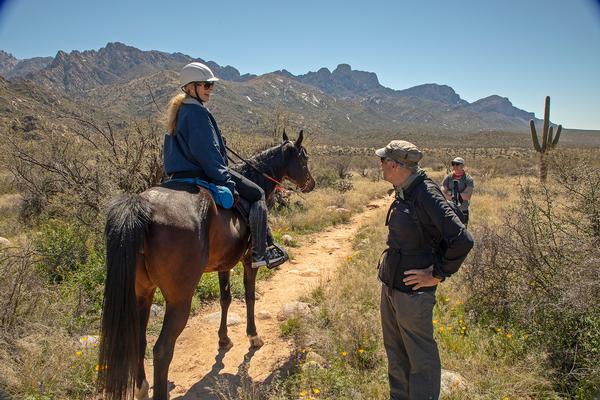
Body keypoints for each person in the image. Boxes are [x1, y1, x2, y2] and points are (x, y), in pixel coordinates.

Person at [375, 140, 474, 400]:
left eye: (383, 160)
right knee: (396, 352)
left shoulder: (426, 193)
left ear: (396, 165)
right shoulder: (405, 189)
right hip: (392, 287)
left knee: (421, 359)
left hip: (413, 295)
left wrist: (437, 274)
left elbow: (462, 240)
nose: (381, 165)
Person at [162, 62, 286, 268]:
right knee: (257, 194)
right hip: (204, 172)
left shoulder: (178, 112)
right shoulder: (197, 112)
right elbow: (207, 154)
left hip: (177, 176)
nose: (210, 89)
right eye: (206, 85)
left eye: (212, 85)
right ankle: (259, 253)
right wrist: (224, 180)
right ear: (190, 87)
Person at [441, 157, 474, 227]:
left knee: (463, 231)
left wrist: (450, 193)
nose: (455, 166)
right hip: (449, 210)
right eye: (453, 164)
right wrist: (458, 195)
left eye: (457, 164)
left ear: (462, 166)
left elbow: (467, 196)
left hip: (462, 210)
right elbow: (442, 193)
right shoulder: (448, 177)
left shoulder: (468, 178)